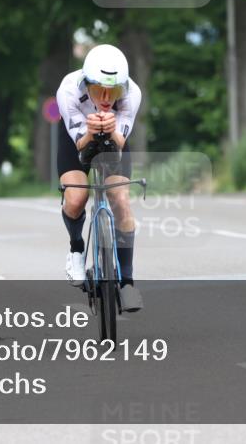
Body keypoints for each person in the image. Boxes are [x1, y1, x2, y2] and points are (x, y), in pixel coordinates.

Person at [55, 44, 143, 312]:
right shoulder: (68, 90)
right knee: (76, 197)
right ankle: (76, 249)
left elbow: (120, 141)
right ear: (86, 84)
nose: (106, 97)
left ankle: (127, 282)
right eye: (98, 90)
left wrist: (112, 130)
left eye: (113, 91)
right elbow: (82, 145)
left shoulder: (132, 94)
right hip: (79, 139)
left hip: (114, 138)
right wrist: (92, 132)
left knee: (121, 202)